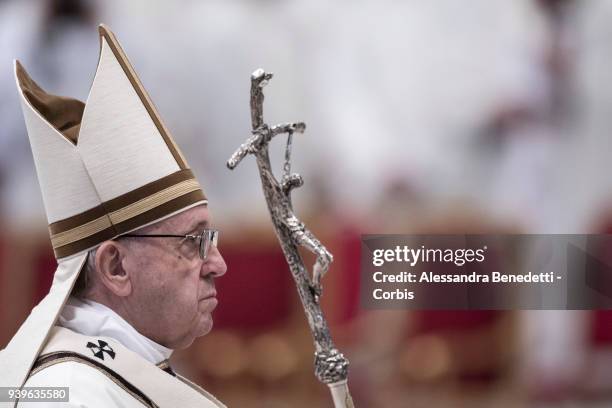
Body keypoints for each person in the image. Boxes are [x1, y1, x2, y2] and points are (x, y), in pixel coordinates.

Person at [0, 24, 227, 407]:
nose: (217, 264)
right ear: (116, 266)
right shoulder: (67, 394)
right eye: (193, 242)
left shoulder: (132, 366)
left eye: (211, 239)